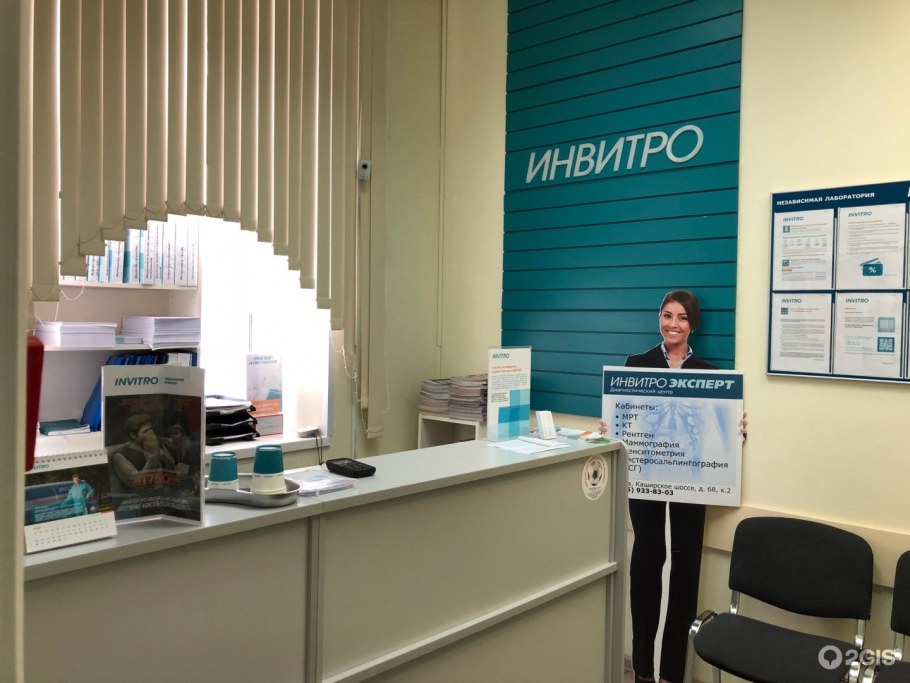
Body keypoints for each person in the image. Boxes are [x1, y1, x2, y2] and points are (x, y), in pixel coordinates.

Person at [625, 290, 743, 683]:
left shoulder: (709, 373)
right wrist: (612, 424)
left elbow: (719, 433)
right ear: (658, 318)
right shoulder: (636, 365)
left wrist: (736, 431)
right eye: (666, 315)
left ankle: (671, 673)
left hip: (691, 483)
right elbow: (625, 419)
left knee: (685, 569)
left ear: (693, 324)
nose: (672, 324)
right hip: (646, 482)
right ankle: (643, 670)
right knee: (645, 567)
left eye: (682, 317)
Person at [111, 413, 179, 492]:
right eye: (145, 431)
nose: (151, 434)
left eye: (151, 429)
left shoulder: (155, 443)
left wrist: (160, 453)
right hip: (144, 496)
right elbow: (138, 485)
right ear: (133, 435)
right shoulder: (120, 457)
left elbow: (171, 466)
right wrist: (153, 456)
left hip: (167, 491)